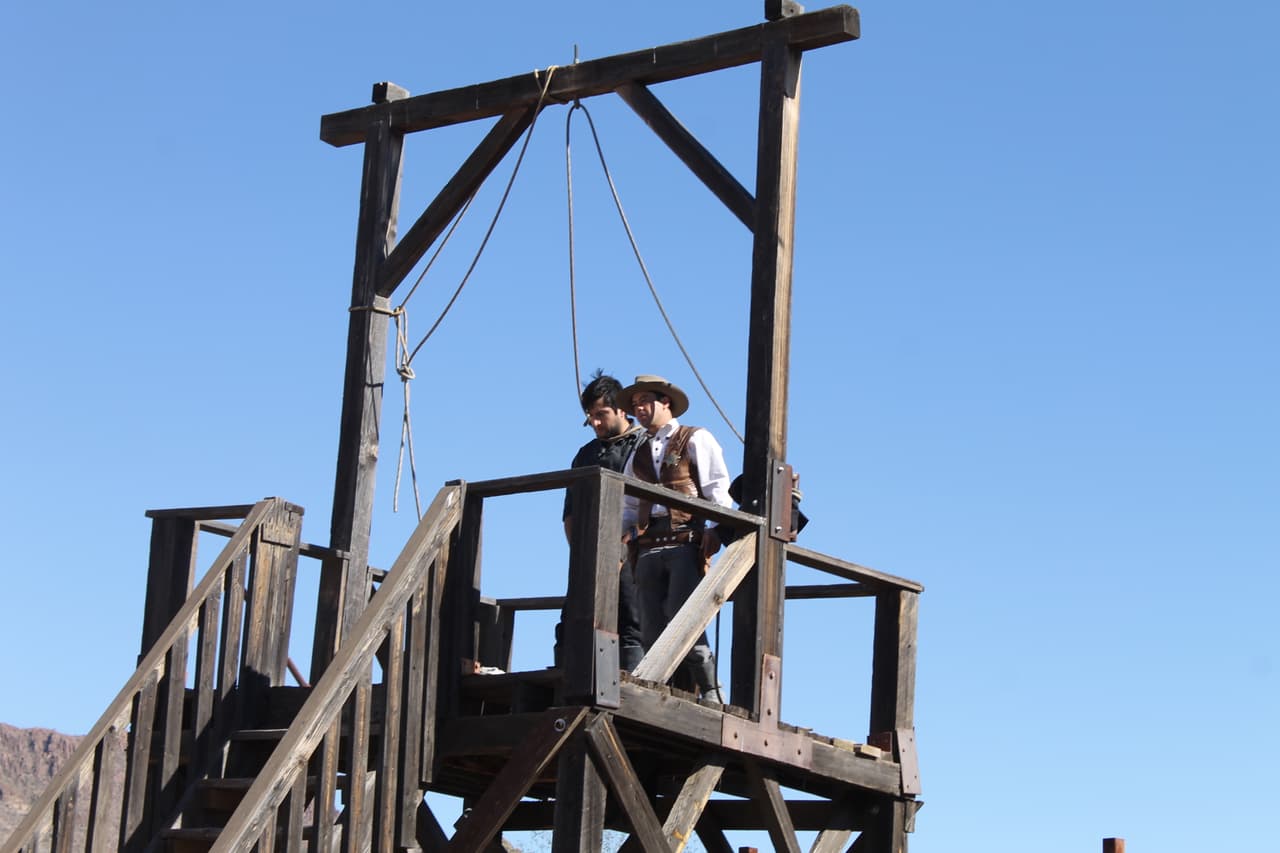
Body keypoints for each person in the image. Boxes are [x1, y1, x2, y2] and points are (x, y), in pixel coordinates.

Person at [618, 375, 732, 703]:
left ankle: (711, 692)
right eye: (635, 404)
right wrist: (623, 540)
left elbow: (716, 490)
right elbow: (628, 502)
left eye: (645, 402)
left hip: (685, 539)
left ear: (665, 401)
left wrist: (717, 530)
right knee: (651, 625)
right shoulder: (637, 451)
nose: (639, 409)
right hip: (648, 543)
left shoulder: (694, 438)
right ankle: (660, 694)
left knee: (685, 617)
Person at [557, 370, 648, 672]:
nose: (595, 423)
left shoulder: (644, 445)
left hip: (632, 547)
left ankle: (632, 687)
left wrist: (625, 546)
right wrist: (580, 552)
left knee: (631, 620)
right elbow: (570, 511)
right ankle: (568, 679)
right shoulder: (586, 453)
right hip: (590, 550)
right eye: (590, 416)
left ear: (622, 409)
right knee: (572, 621)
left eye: (602, 414)